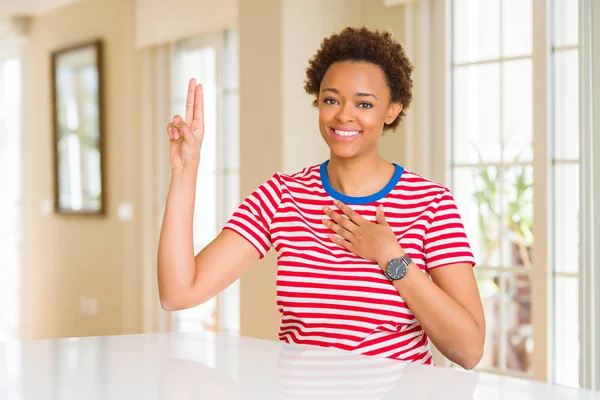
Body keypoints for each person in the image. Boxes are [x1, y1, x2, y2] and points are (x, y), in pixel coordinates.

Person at [158, 27, 485, 370]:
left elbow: (469, 349)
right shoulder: (283, 195)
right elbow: (179, 292)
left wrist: (390, 256)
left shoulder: (431, 203)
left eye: (364, 103)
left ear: (391, 111)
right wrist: (184, 172)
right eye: (332, 99)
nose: (344, 114)